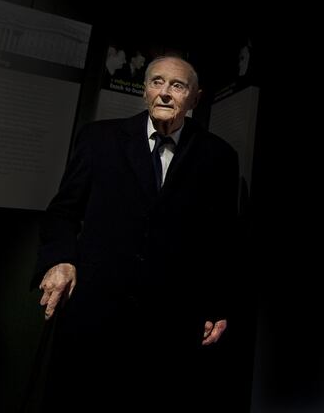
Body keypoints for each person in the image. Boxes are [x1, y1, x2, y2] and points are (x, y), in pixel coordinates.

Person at [33, 55, 240, 412]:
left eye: (177, 85)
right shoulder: (99, 139)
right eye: (157, 82)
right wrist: (60, 259)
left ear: (196, 97)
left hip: (169, 327)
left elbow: (220, 240)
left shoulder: (219, 156)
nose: (164, 93)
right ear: (144, 90)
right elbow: (62, 212)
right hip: (94, 316)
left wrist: (217, 304)